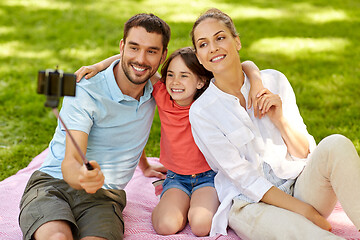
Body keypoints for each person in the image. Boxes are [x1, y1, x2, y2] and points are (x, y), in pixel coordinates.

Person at [189, 8, 360, 240]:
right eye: (203, 44)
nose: (213, 48)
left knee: (336, 144)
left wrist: (280, 120)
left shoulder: (273, 80)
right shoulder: (202, 112)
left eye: (220, 38)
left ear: (236, 41)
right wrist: (306, 211)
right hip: (250, 204)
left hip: (300, 185)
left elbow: (304, 153)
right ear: (199, 56)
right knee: (303, 233)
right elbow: (243, 178)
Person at [75, 46, 264, 236]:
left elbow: (245, 65)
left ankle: (195, 204)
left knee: (201, 225)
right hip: (176, 178)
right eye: (170, 75)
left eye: (184, 76)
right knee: (165, 226)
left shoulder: (211, 99)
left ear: (200, 81)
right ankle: (167, 198)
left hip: (209, 177)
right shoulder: (163, 95)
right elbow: (133, 61)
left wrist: (256, 83)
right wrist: (98, 66)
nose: (175, 82)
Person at [19, 13, 171, 240]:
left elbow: (129, 129)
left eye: (151, 51)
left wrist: (145, 165)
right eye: (134, 47)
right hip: (53, 185)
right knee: (57, 237)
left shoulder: (158, 89)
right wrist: (82, 176)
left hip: (105, 197)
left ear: (162, 56)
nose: (141, 59)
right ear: (122, 47)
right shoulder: (86, 90)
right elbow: (70, 161)